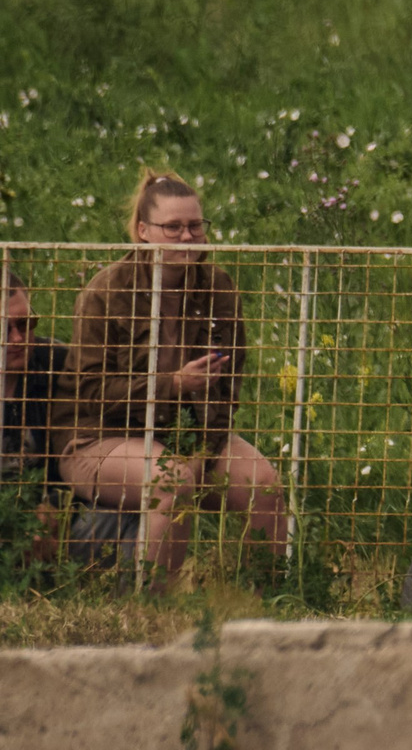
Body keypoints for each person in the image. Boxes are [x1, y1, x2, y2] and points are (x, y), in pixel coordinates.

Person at [56, 170, 283, 587]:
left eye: (196, 226)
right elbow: (90, 392)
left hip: (185, 437)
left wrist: (204, 447)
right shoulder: (107, 290)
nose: (187, 238)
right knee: (172, 480)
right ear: (143, 231)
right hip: (96, 437)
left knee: (264, 485)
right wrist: (172, 385)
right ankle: (156, 611)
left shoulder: (218, 286)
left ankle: (267, 605)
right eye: (173, 227)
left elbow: (229, 385)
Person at [2, 262, 71, 479]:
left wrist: (54, 498)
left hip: (50, 496)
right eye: (3, 329)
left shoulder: (58, 362)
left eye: (25, 324)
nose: (17, 338)